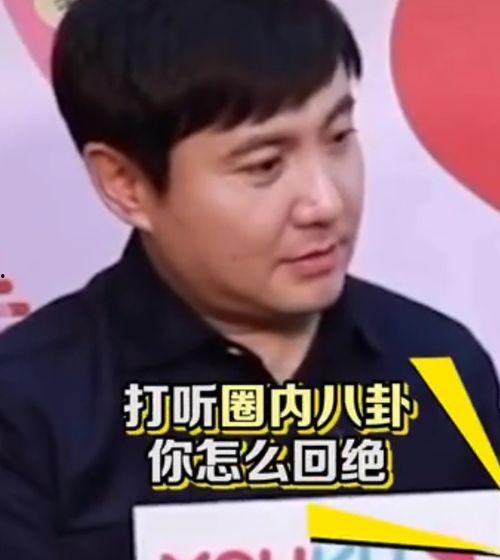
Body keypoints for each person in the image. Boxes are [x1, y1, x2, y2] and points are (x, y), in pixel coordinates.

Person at [0, 0, 498, 558]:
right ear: (126, 184)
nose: (326, 203)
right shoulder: (26, 406)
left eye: (338, 137)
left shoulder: (440, 366)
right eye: (265, 165)